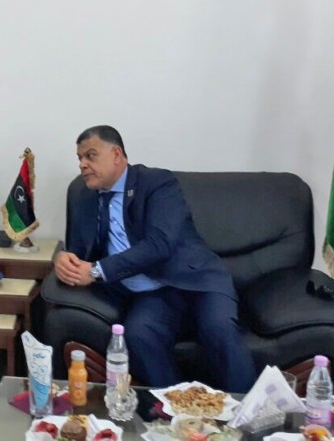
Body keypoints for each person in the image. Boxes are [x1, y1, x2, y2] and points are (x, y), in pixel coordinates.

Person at [53, 125, 256, 393]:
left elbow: (160, 245)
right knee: (139, 334)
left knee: (218, 329)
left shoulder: (157, 183)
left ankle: (250, 411)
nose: (82, 164)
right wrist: (62, 259)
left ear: (116, 154)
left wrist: (96, 271)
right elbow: (80, 253)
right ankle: (175, 408)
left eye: (90, 155)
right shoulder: (84, 197)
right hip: (152, 295)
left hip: (197, 281)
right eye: (80, 158)